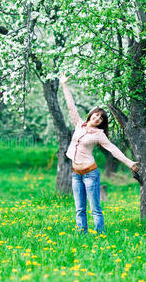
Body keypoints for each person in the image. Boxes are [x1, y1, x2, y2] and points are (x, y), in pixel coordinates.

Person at [60, 73, 139, 234]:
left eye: (101, 119)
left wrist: (129, 163)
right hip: (76, 173)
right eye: (96, 115)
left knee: (95, 208)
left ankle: (100, 235)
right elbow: (71, 106)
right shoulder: (79, 125)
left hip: (90, 174)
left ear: (102, 123)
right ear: (91, 115)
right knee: (79, 209)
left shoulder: (99, 135)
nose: (97, 118)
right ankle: (82, 235)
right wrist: (64, 85)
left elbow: (113, 149)